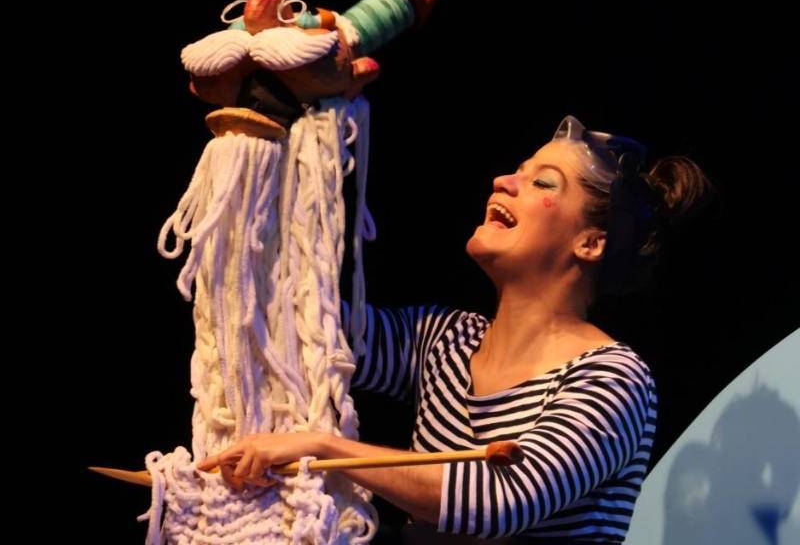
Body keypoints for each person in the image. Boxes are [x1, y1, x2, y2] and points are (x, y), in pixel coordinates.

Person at [197, 115, 718, 543]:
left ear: (590, 242)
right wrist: (264, 135)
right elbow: (296, 329)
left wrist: (324, 448)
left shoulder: (614, 378)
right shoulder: (446, 340)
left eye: (542, 183)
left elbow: (500, 502)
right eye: (519, 171)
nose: (503, 182)